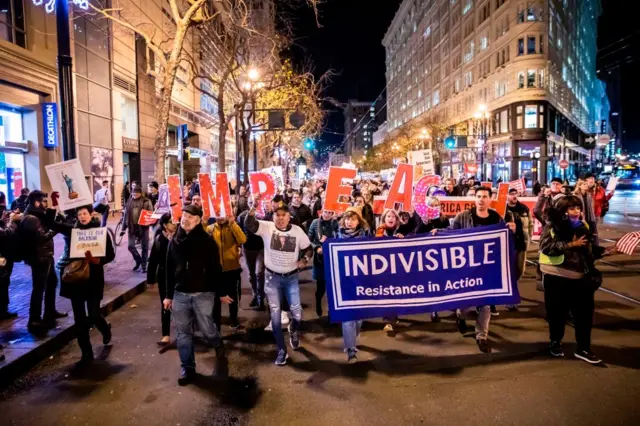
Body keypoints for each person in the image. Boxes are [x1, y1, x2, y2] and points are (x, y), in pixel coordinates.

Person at [539, 195, 610, 365]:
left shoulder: (583, 226)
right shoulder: (552, 226)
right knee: (557, 314)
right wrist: (570, 245)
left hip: (580, 278)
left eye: (578, 208)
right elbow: (545, 247)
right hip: (556, 277)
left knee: (584, 315)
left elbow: (588, 251)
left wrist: (607, 251)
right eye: (571, 208)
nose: (576, 211)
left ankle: (584, 348)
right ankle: (555, 342)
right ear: (563, 211)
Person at [164, 204, 230, 385]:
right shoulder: (174, 241)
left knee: (207, 329)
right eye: (184, 215)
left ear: (199, 220)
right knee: (183, 333)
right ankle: (188, 368)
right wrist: (168, 295)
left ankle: (217, 343)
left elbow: (215, 269)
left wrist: (221, 292)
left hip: (203, 293)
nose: (186, 219)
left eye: (191, 217)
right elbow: (169, 270)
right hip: (180, 294)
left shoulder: (207, 241)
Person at [448, 187, 516, 353]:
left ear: (490, 199)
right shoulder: (463, 216)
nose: (481, 199)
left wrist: (512, 232)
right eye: (478, 196)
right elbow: (450, 235)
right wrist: (438, 232)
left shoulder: (496, 218)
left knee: (485, 303)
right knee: (465, 305)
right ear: (474, 199)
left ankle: (481, 337)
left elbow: (505, 242)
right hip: (466, 268)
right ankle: (460, 316)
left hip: (487, 268)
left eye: (485, 197)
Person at [246, 199, 313, 366]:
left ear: (289, 217)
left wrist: (305, 259)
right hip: (272, 278)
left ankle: (294, 329)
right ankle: (281, 350)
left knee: (297, 313)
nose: (281, 218)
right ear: (273, 217)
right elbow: (250, 225)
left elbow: (308, 248)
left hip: (291, 278)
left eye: (284, 215)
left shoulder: (297, 231)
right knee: (275, 316)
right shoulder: (267, 227)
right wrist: (253, 208)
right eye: (278, 215)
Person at [58, 205, 115, 365]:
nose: (82, 216)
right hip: (76, 279)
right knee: (79, 318)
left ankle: (105, 329)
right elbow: (53, 225)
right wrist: (54, 207)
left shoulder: (101, 233)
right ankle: (86, 352)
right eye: (79, 214)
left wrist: (99, 260)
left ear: (91, 214)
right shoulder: (72, 231)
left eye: (85, 213)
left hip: (93, 279)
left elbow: (110, 255)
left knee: (94, 314)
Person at [19, 191, 68, 331]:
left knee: (52, 283)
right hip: (39, 258)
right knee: (39, 288)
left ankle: (50, 311)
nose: (46, 204)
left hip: (46, 256)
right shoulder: (31, 219)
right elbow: (41, 238)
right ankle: (34, 319)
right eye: (44, 201)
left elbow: (48, 220)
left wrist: (54, 206)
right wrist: (55, 230)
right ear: (36, 202)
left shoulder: (37, 215)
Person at [337, 206, 370, 363]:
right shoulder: (336, 236)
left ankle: (353, 337)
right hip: (343, 282)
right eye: (348, 218)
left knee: (358, 318)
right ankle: (350, 349)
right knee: (348, 317)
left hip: (361, 282)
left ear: (359, 221)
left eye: (353, 218)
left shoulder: (366, 237)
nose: (350, 222)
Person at [412, 197, 450, 323]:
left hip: (440, 254)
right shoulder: (420, 217)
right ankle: (433, 309)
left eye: (436, 205)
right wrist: (424, 223)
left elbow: (450, 231)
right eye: (432, 205)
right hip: (425, 254)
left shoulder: (443, 219)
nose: (434, 207)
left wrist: (439, 231)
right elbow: (416, 233)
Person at [207, 215, 247, 329]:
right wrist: (204, 222)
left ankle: (233, 319)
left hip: (232, 269)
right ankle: (216, 323)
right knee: (215, 298)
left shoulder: (232, 227)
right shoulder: (210, 228)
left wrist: (232, 223)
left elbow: (242, 239)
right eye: (218, 214)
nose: (220, 217)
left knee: (232, 296)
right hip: (215, 270)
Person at [147, 213, 177, 346]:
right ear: (165, 225)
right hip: (164, 277)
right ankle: (166, 335)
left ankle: (186, 333)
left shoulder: (181, 237)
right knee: (165, 305)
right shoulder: (159, 240)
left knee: (182, 305)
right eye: (171, 222)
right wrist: (150, 279)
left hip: (179, 277)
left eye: (176, 221)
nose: (174, 224)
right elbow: (153, 260)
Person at [375, 209, 406, 335]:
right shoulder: (379, 231)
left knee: (396, 293)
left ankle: (394, 315)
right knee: (387, 293)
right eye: (388, 216)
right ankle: (387, 321)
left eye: (393, 216)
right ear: (384, 218)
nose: (391, 218)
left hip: (399, 268)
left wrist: (403, 239)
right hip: (384, 269)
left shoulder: (401, 231)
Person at [308, 209, 339, 317]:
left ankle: (332, 312)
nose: (327, 214)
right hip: (320, 259)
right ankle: (318, 301)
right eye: (325, 212)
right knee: (321, 286)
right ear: (321, 211)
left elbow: (339, 238)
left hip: (333, 258)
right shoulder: (315, 223)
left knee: (333, 287)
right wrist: (316, 248)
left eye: (330, 212)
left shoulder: (335, 224)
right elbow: (309, 239)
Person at [506, 188, 533, 311]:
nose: (513, 196)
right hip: (507, 246)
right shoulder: (503, 209)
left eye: (515, 193)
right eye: (511, 194)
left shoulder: (524, 208)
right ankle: (511, 299)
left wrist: (529, 238)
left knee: (520, 271)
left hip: (521, 244)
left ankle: (511, 290)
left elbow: (531, 224)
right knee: (510, 273)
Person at [237, 208, 266, 311]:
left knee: (259, 273)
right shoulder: (242, 216)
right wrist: (239, 246)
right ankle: (255, 295)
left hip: (261, 248)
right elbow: (238, 231)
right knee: (251, 274)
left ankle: (260, 299)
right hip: (248, 248)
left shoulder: (263, 214)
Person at [121, 186, 153, 272]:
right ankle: (138, 260)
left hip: (143, 227)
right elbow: (125, 216)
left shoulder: (147, 201)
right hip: (131, 227)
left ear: (140, 193)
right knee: (130, 246)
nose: (134, 194)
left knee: (145, 247)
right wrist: (123, 228)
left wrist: (149, 220)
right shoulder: (129, 201)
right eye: (133, 193)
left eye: (136, 193)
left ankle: (144, 266)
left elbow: (150, 214)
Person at [0, 209, 22, 320]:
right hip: (2, 260)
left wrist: (3, 220)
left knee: (4, 283)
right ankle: (2, 311)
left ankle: (3, 309)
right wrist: (11, 222)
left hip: (4, 257)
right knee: (3, 283)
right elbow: (6, 234)